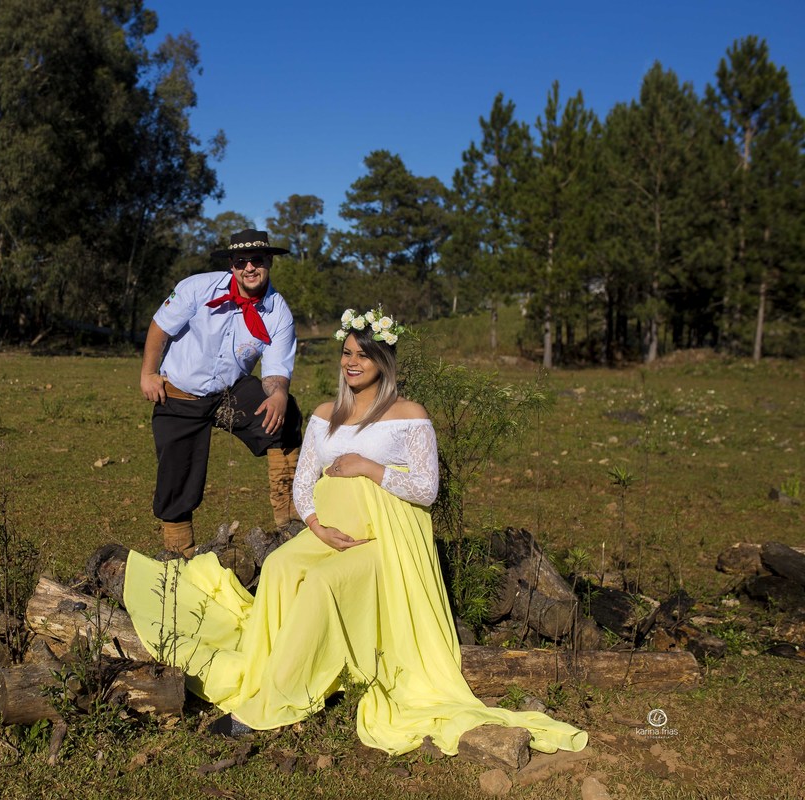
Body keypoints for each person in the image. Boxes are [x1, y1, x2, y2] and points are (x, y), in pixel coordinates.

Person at [121, 308, 588, 756]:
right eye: (346, 353)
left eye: (362, 355)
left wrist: (371, 468)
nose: (351, 363)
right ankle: (265, 670)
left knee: (323, 585)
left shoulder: (409, 413)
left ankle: (281, 700)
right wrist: (315, 525)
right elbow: (303, 483)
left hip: (383, 542)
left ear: (383, 362)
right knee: (282, 566)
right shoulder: (327, 414)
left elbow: (426, 489)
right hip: (326, 534)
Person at [139, 228, 304, 557]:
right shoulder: (198, 288)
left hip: (229, 394)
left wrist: (278, 394)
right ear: (232, 264)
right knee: (177, 475)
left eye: (256, 260)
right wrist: (148, 374)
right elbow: (160, 326)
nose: (249, 268)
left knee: (285, 418)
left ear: (268, 261)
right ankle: (179, 555)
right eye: (241, 261)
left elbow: (274, 373)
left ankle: (292, 524)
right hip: (180, 393)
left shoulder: (277, 311)